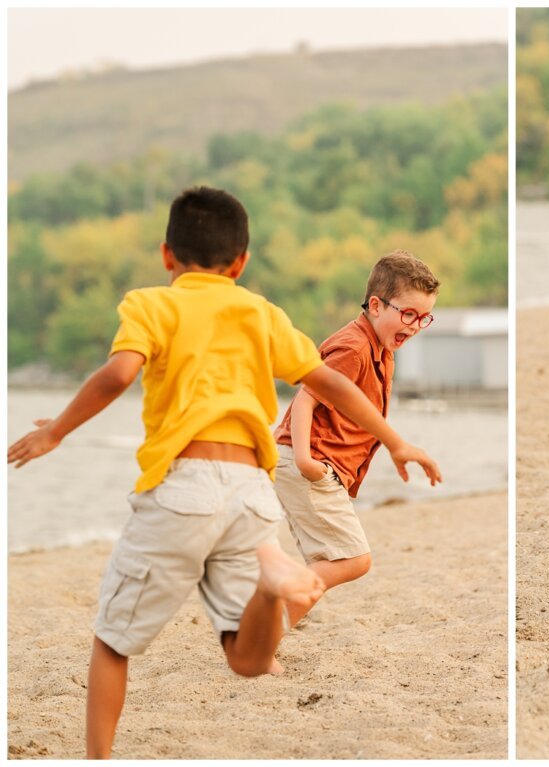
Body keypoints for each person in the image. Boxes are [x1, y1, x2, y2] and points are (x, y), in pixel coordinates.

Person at [6, 187, 441, 758]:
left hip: (182, 485)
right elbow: (328, 385)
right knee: (247, 657)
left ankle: (97, 760)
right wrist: (399, 442)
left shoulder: (149, 305)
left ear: (167, 256)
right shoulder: (262, 313)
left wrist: (57, 430)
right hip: (249, 493)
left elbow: (117, 377)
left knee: (113, 642)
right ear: (241, 263)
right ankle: (272, 586)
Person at [272, 250, 440, 627]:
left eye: (423, 318)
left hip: (308, 462)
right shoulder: (354, 347)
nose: (414, 326)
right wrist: (304, 460)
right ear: (377, 305)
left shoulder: (381, 347)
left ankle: (272, 628)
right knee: (352, 560)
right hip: (308, 461)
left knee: (325, 562)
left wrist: (393, 449)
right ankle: (266, 621)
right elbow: (305, 399)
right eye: (408, 314)